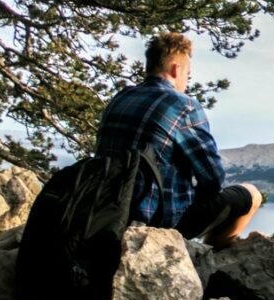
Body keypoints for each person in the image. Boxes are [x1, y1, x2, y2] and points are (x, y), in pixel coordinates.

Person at [95, 32, 261, 247]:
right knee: (252, 194)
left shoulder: (121, 97)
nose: (186, 82)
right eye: (187, 76)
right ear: (176, 69)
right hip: (158, 221)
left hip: (107, 214)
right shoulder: (183, 105)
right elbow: (213, 179)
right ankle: (211, 256)